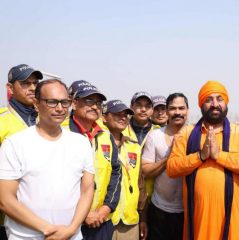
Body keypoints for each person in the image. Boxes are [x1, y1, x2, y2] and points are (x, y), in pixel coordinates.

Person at [167, 80, 239, 240]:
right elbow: (172, 168)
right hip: (198, 221)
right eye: (208, 99)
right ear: (201, 104)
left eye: (219, 99)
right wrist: (200, 156)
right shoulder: (187, 133)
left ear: (226, 103)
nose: (214, 104)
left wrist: (220, 156)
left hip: (233, 220)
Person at [0, 79, 95, 240]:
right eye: (52, 102)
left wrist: (71, 229)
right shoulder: (15, 144)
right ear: (36, 104)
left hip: (71, 235)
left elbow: (87, 190)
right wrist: (48, 230)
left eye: (65, 102)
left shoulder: (81, 143)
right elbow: (5, 200)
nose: (59, 108)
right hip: (27, 236)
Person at [63, 82, 122, 240]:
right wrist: (83, 214)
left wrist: (106, 208)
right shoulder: (61, 133)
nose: (95, 107)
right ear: (74, 104)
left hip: (101, 221)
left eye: (98, 103)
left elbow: (116, 173)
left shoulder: (105, 135)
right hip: (68, 221)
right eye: (89, 101)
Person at [0, 63, 43, 239]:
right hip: (9, 216)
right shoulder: (3, 121)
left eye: (35, 83)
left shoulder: (48, 120)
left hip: (45, 212)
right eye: (25, 83)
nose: (32, 88)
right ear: (10, 87)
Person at [142, 93, 189, 240]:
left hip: (187, 210)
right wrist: (170, 156)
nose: (177, 112)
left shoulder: (196, 135)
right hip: (159, 210)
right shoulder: (154, 136)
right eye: (173, 108)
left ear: (188, 110)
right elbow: (145, 171)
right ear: (167, 111)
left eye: (181, 108)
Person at [102, 100, 148, 240]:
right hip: (104, 219)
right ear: (104, 117)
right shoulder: (96, 142)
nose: (123, 118)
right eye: (117, 114)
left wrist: (143, 218)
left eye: (126, 115)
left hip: (129, 221)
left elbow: (140, 184)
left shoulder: (134, 146)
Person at [125, 92, 160, 201]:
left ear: (152, 110)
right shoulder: (120, 129)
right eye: (139, 105)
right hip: (125, 194)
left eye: (147, 106)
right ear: (131, 107)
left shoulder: (158, 132)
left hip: (151, 195)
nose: (143, 109)